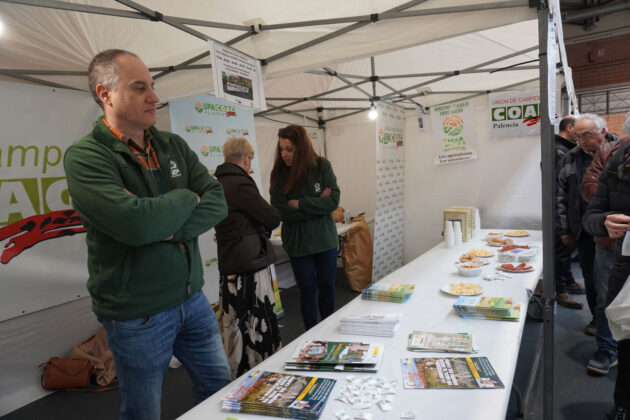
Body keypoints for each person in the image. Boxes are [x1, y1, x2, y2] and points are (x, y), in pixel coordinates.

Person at [63, 49, 230, 420]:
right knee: (143, 410)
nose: (154, 96)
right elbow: (136, 225)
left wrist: (167, 227)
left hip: (192, 299)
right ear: (105, 94)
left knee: (219, 386)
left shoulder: (173, 146)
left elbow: (218, 202)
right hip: (136, 315)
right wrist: (188, 196)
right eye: (139, 88)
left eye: (152, 85)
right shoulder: (87, 157)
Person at [214, 137, 282, 379]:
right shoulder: (240, 184)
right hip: (249, 265)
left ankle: (237, 371)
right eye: (250, 160)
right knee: (256, 319)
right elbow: (271, 216)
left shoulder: (216, 183)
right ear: (245, 159)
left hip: (230, 264)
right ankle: (260, 370)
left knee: (234, 323)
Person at [270, 124, 341, 330]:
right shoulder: (279, 174)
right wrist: (318, 202)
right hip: (298, 244)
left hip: (325, 242)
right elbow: (281, 210)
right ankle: (310, 334)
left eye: (289, 149)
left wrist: (300, 203)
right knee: (307, 290)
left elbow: (333, 201)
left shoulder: (321, 166)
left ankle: (328, 330)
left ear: (301, 148)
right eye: (281, 148)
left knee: (327, 288)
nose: (284, 154)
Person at [583, 113, 630, 420]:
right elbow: (591, 208)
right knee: (616, 317)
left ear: (602, 132)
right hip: (619, 258)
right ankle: (622, 404)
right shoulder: (617, 157)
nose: (582, 140)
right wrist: (603, 222)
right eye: (578, 136)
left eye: (587, 134)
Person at [554, 115, 585, 309]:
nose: (582, 135)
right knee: (560, 252)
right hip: (561, 210)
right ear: (570, 128)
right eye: (580, 131)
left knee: (565, 251)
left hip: (568, 210)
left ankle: (569, 282)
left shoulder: (565, 149)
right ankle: (560, 290)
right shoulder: (558, 150)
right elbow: (560, 189)